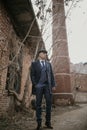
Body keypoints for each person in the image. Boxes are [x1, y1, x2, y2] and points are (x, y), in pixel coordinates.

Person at [30, 49, 56, 130]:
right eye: (43, 53)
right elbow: (32, 75)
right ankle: (39, 124)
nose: (45, 54)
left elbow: (51, 75)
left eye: (46, 53)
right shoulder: (34, 64)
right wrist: (35, 84)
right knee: (38, 105)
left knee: (49, 104)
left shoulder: (48, 64)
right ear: (39, 54)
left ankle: (48, 123)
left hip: (47, 86)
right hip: (39, 86)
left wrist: (53, 84)